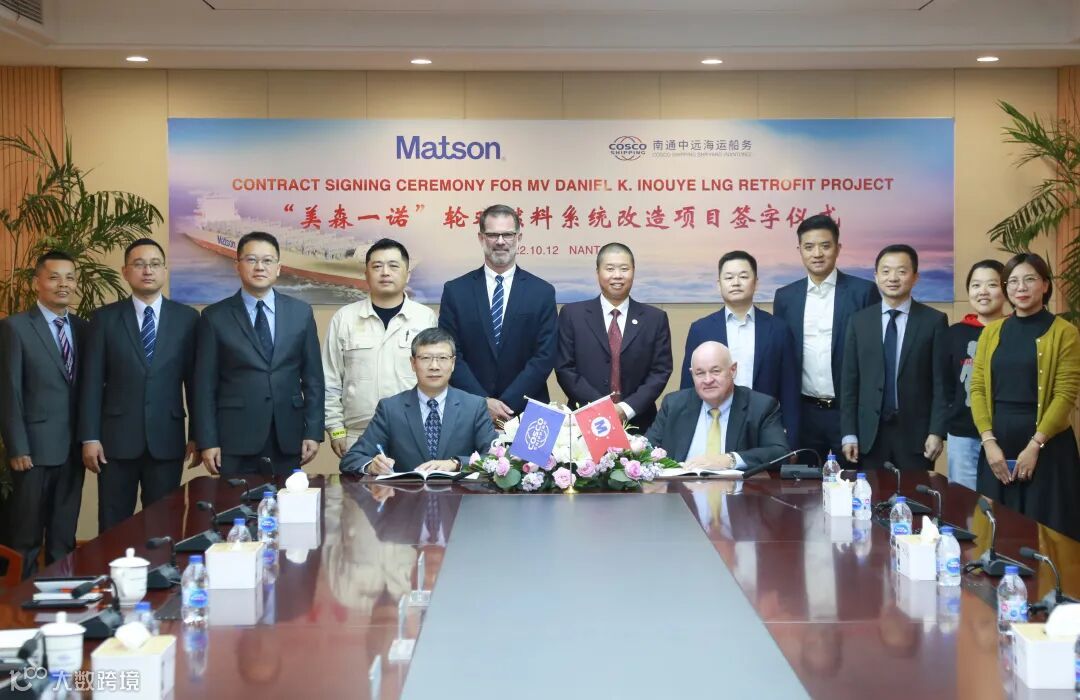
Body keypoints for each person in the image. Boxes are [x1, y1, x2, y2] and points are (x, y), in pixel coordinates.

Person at [78, 238, 199, 533]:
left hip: (167, 439)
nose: (148, 270)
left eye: (155, 264)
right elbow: (91, 383)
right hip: (116, 441)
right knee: (113, 523)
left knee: (163, 524)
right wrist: (89, 437)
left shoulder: (187, 319)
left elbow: (195, 383)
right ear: (125, 271)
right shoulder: (104, 319)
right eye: (139, 264)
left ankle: (158, 566)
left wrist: (198, 435)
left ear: (165, 271)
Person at [194, 231, 324, 477]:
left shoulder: (301, 313)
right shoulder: (214, 317)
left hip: (288, 435)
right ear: (237, 266)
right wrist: (208, 440)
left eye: (267, 260)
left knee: (287, 500)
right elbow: (204, 386)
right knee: (235, 501)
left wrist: (313, 431)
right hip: (234, 437)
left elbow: (313, 378)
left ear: (278, 268)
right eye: (251, 259)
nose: (259, 267)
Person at [971, 253, 1080, 540]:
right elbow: (978, 388)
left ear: (1045, 285)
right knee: (996, 531)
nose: (1020, 287)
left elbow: (1065, 394)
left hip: (1048, 446)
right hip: (997, 445)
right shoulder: (992, 332)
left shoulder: (1065, 332)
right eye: (1013, 281)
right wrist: (988, 442)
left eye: (1029, 279)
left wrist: (1035, 445)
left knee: (1048, 534)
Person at [0, 251, 88, 578]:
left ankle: (60, 597)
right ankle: (19, 604)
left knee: (64, 536)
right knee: (25, 537)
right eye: (54, 277)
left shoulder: (84, 329)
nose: (63, 284)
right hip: (32, 451)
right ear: (37, 282)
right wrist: (17, 446)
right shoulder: (15, 327)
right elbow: (8, 391)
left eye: (70, 278)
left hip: (73, 449)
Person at [772, 214, 880, 464]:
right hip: (803, 413)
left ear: (838, 248)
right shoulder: (785, 297)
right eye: (809, 247)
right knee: (802, 484)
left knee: (851, 481)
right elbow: (783, 358)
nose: (817, 254)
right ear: (800, 250)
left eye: (825, 246)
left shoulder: (863, 292)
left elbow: (872, 358)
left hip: (847, 413)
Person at [438, 204, 557, 425]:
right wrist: (482, 402)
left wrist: (506, 403)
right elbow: (450, 353)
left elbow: (545, 356)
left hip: (528, 412)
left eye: (508, 234)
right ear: (481, 238)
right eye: (493, 235)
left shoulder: (542, 292)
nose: (500, 241)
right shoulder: (456, 291)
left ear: (519, 238)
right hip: (469, 410)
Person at [322, 238, 436, 458]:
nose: (385, 272)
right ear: (366, 274)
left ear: (407, 274)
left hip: (414, 432)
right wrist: (335, 429)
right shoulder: (344, 318)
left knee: (416, 482)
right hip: (358, 434)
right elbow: (330, 379)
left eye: (393, 266)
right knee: (357, 483)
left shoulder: (425, 318)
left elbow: (436, 377)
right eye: (377, 266)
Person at [840, 244, 948, 470]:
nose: (893, 278)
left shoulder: (933, 321)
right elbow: (849, 383)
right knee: (869, 492)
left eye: (901, 271)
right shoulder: (859, 321)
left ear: (915, 277)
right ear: (876, 276)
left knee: (916, 492)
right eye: (886, 271)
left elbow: (941, 383)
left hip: (916, 436)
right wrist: (849, 433)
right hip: (869, 434)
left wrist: (937, 431)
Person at [340, 328, 498, 475]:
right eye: (425, 358)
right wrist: (371, 466)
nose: (434, 366)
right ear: (413, 363)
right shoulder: (390, 408)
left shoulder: (474, 406)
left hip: (458, 494)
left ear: (453, 363)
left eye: (443, 358)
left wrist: (456, 463)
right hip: (405, 494)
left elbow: (495, 458)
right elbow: (352, 458)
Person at [681, 250, 799, 440]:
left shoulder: (779, 329)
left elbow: (790, 388)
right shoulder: (700, 329)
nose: (736, 282)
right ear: (719, 284)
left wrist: (790, 435)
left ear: (756, 282)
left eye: (743, 276)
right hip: (714, 423)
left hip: (765, 424)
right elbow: (688, 386)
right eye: (729, 277)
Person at [555, 242, 672, 432]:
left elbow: (660, 371)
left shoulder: (655, 319)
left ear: (633, 271)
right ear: (598, 272)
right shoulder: (572, 315)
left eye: (624, 269)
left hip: (639, 422)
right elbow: (564, 368)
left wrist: (626, 409)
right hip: (584, 420)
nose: (617, 275)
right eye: (610, 269)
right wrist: (603, 409)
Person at [646, 341, 790, 470]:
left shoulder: (760, 406)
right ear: (692, 374)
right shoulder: (673, 404)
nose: (708, 380)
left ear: (733, 370)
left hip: (737, 490)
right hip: (680, 488)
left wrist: (729, 460)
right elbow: (646, 449)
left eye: (715, 371)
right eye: (700, 373)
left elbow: (780, 453)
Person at [941, 260, 1007, 490]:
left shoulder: (1014, 331)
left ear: (1005, 289)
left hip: (1006, 433)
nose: (983, 291)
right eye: (976, 285)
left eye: (992, 284)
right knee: (963, 500)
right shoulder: (954, 334)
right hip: (963, 433)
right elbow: (945, 385)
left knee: (1004, 501)